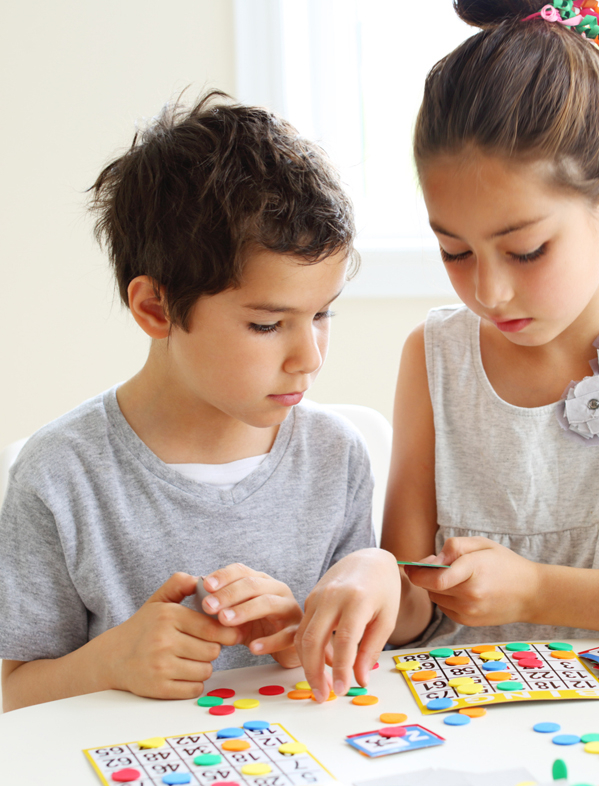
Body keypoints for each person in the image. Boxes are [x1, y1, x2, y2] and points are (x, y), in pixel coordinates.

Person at [298, 0, 599, 702]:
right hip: (469, 737)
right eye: (454, 251)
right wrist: (372, 574)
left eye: (525, 250)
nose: (489, 292)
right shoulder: (434, 356)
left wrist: (536, 588)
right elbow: (412, 608)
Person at [0, 91, 397, 711]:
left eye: (322, 314)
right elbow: (12, 695)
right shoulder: (59, 475)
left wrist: (301, 639)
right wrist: (111, 661)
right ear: (155, 308)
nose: (310, 357)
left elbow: (350, 664)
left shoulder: (336, 457)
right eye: (267, 325)